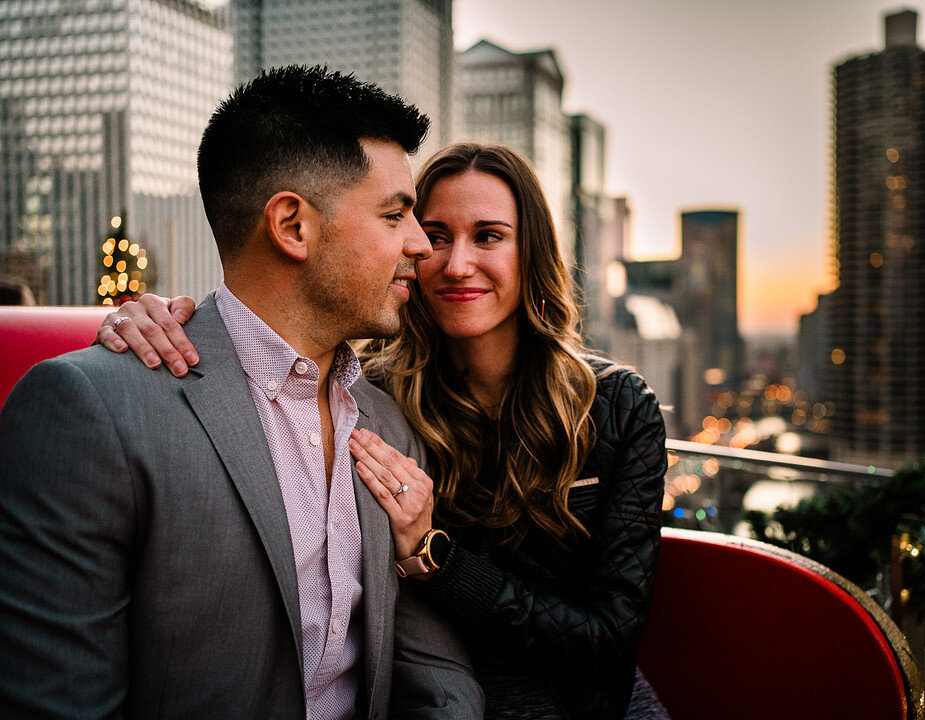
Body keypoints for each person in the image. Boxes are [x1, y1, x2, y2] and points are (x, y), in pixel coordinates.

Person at [98, 144, 669, 720]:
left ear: (533, 252)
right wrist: (146, 319)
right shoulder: (372, 399)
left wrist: (436, 559)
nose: (455, 264)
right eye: (437, 234)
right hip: (439, 695)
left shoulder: (617, 407)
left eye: (489, 236)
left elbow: (608, 641)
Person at [0, 66, 482, 720]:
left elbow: (430, 671)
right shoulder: (93, 412)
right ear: (293, 226)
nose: (422, 246)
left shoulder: (390, 426)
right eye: (396, 215)